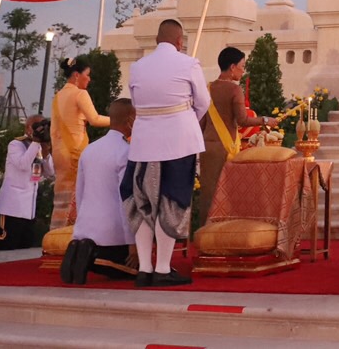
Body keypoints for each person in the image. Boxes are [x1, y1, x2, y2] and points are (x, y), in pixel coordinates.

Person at [122, 19, 210, 286]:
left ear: (157, 39)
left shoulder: (137, 67)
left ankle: (145, 268)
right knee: (171, 201)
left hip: (143, 142)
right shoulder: (189, 64)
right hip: (178, 142)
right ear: (180, 40)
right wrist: (184, 119)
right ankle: (162, 268)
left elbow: (136, 104)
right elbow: (203, 102)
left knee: (142, 202)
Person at [198, 47, 278, 223]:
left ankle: (204, 233)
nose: (243, 71)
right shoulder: (234, 90)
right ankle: (222, 233)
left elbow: (201, 122)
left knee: (207, 193)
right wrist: (265, 120)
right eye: (242, 66)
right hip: (225, 148)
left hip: (207, 147)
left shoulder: (208, 88)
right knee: (224, 193)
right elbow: (242, 120)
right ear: (232, 67)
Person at [61, 99, 137, 284]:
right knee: (140, 272)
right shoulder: (126, 151)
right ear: (130, 119)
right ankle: (94, 259)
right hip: (114, 236)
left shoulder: (90, 149)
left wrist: (80, 230)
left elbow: (79, 194)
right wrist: (133, 244)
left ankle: (82, 251)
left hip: (86, 231)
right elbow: (126, 200)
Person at [50, 56, 111, 230]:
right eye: (87, 75)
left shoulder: (58, 95)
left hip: (60, 151)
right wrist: (119, 119)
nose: (89, 79)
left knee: (61, 196)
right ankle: (70, 236)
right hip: (75, 151)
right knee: (77, 195)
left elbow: (53, 130)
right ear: (76, 75)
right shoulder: (80, 93)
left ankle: (55, 234)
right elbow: (95, 119)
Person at [0, 115, 54, 248]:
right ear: (27, 128)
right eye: (37, 127)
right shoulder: (16, 144)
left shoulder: (37, 147)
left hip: (28, 209)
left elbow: (50, 173)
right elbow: (23, 165)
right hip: (12, 206)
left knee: (25, 245)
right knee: (7, 242)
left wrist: (45, 151)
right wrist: (36, 142)